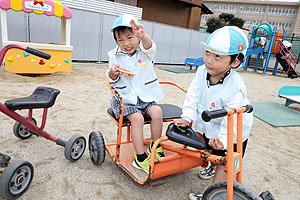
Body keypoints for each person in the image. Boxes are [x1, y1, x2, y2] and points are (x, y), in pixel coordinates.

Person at [173, 26, 253, 200]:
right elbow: (193, 94)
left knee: (224, 165)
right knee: (210, 149)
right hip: (211, 121)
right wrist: (187, 116)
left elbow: (231, 119)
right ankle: (209, 165)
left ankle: (211, 196)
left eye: (217, 56)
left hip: (233, 130)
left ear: (235, 62)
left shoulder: (235, 89)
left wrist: (224, 141)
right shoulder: (202, 71)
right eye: (208, 52)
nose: (209, 60)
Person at [106, 14, 165, 174]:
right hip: (126, 99)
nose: (126, 43)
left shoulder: (145, 52)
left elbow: (150, 46)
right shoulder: (114, 55)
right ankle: (140, 157)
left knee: (157, 112)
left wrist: (143, 35)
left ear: (137, 37)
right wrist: (113, 72)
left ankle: (155, 145)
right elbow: (110, 79)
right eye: (120, 40)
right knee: (137, 119)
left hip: (145, 97)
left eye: (130, 37)